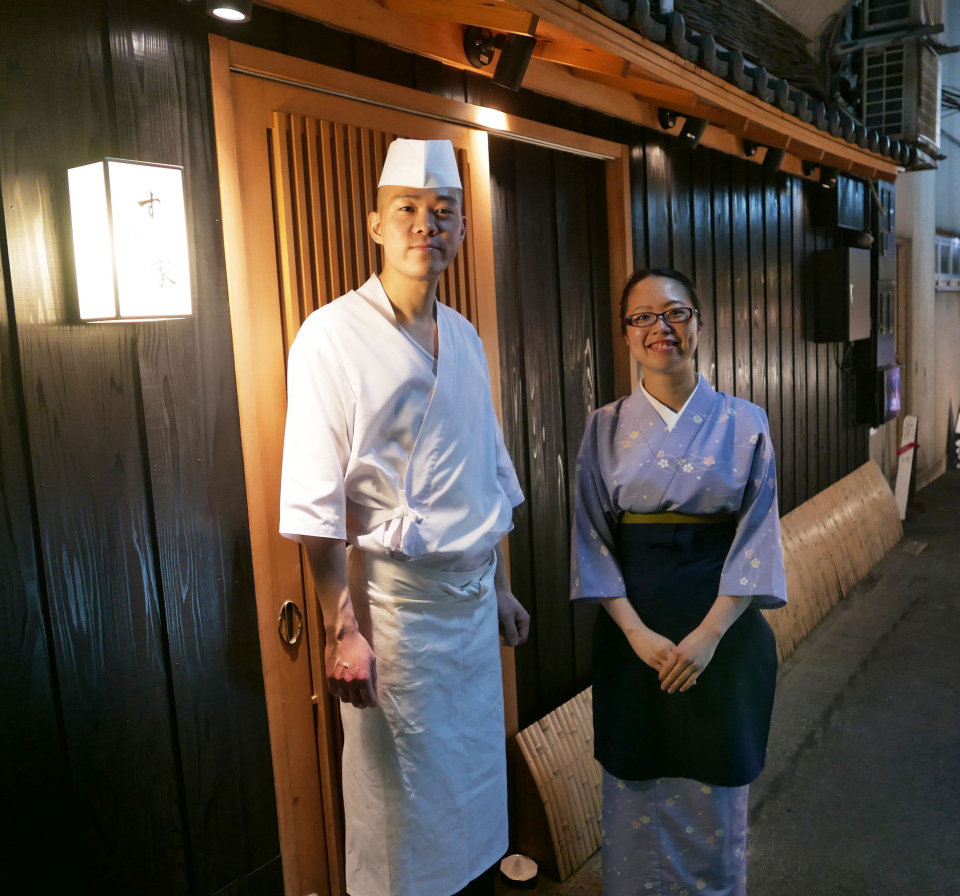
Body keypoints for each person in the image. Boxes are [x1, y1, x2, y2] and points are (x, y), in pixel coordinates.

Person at [279, 138, 530, 896]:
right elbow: (317, 497)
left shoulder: (465, 337)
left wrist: (504, 587)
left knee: (475, 801)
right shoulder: (329, 335)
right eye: (409, 210)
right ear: (376, 225)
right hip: (395, 620)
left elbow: (489, 470)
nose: (428, 224)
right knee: (399, 816)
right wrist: (340, 624)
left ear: (457, 231)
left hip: (471, 610)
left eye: (443, 212)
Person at [571, 268, 787, 895]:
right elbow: (590, 538)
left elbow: (758, 539)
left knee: (712, 786)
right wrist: (635, 633)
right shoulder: (603, 426)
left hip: (720, 631)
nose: (659, 328)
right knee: (635, 783)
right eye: (642, 317)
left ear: (698, 322)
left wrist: (710, 635)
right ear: (626, 334)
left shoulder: (746, 422)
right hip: (631, 633)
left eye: (675, 313)